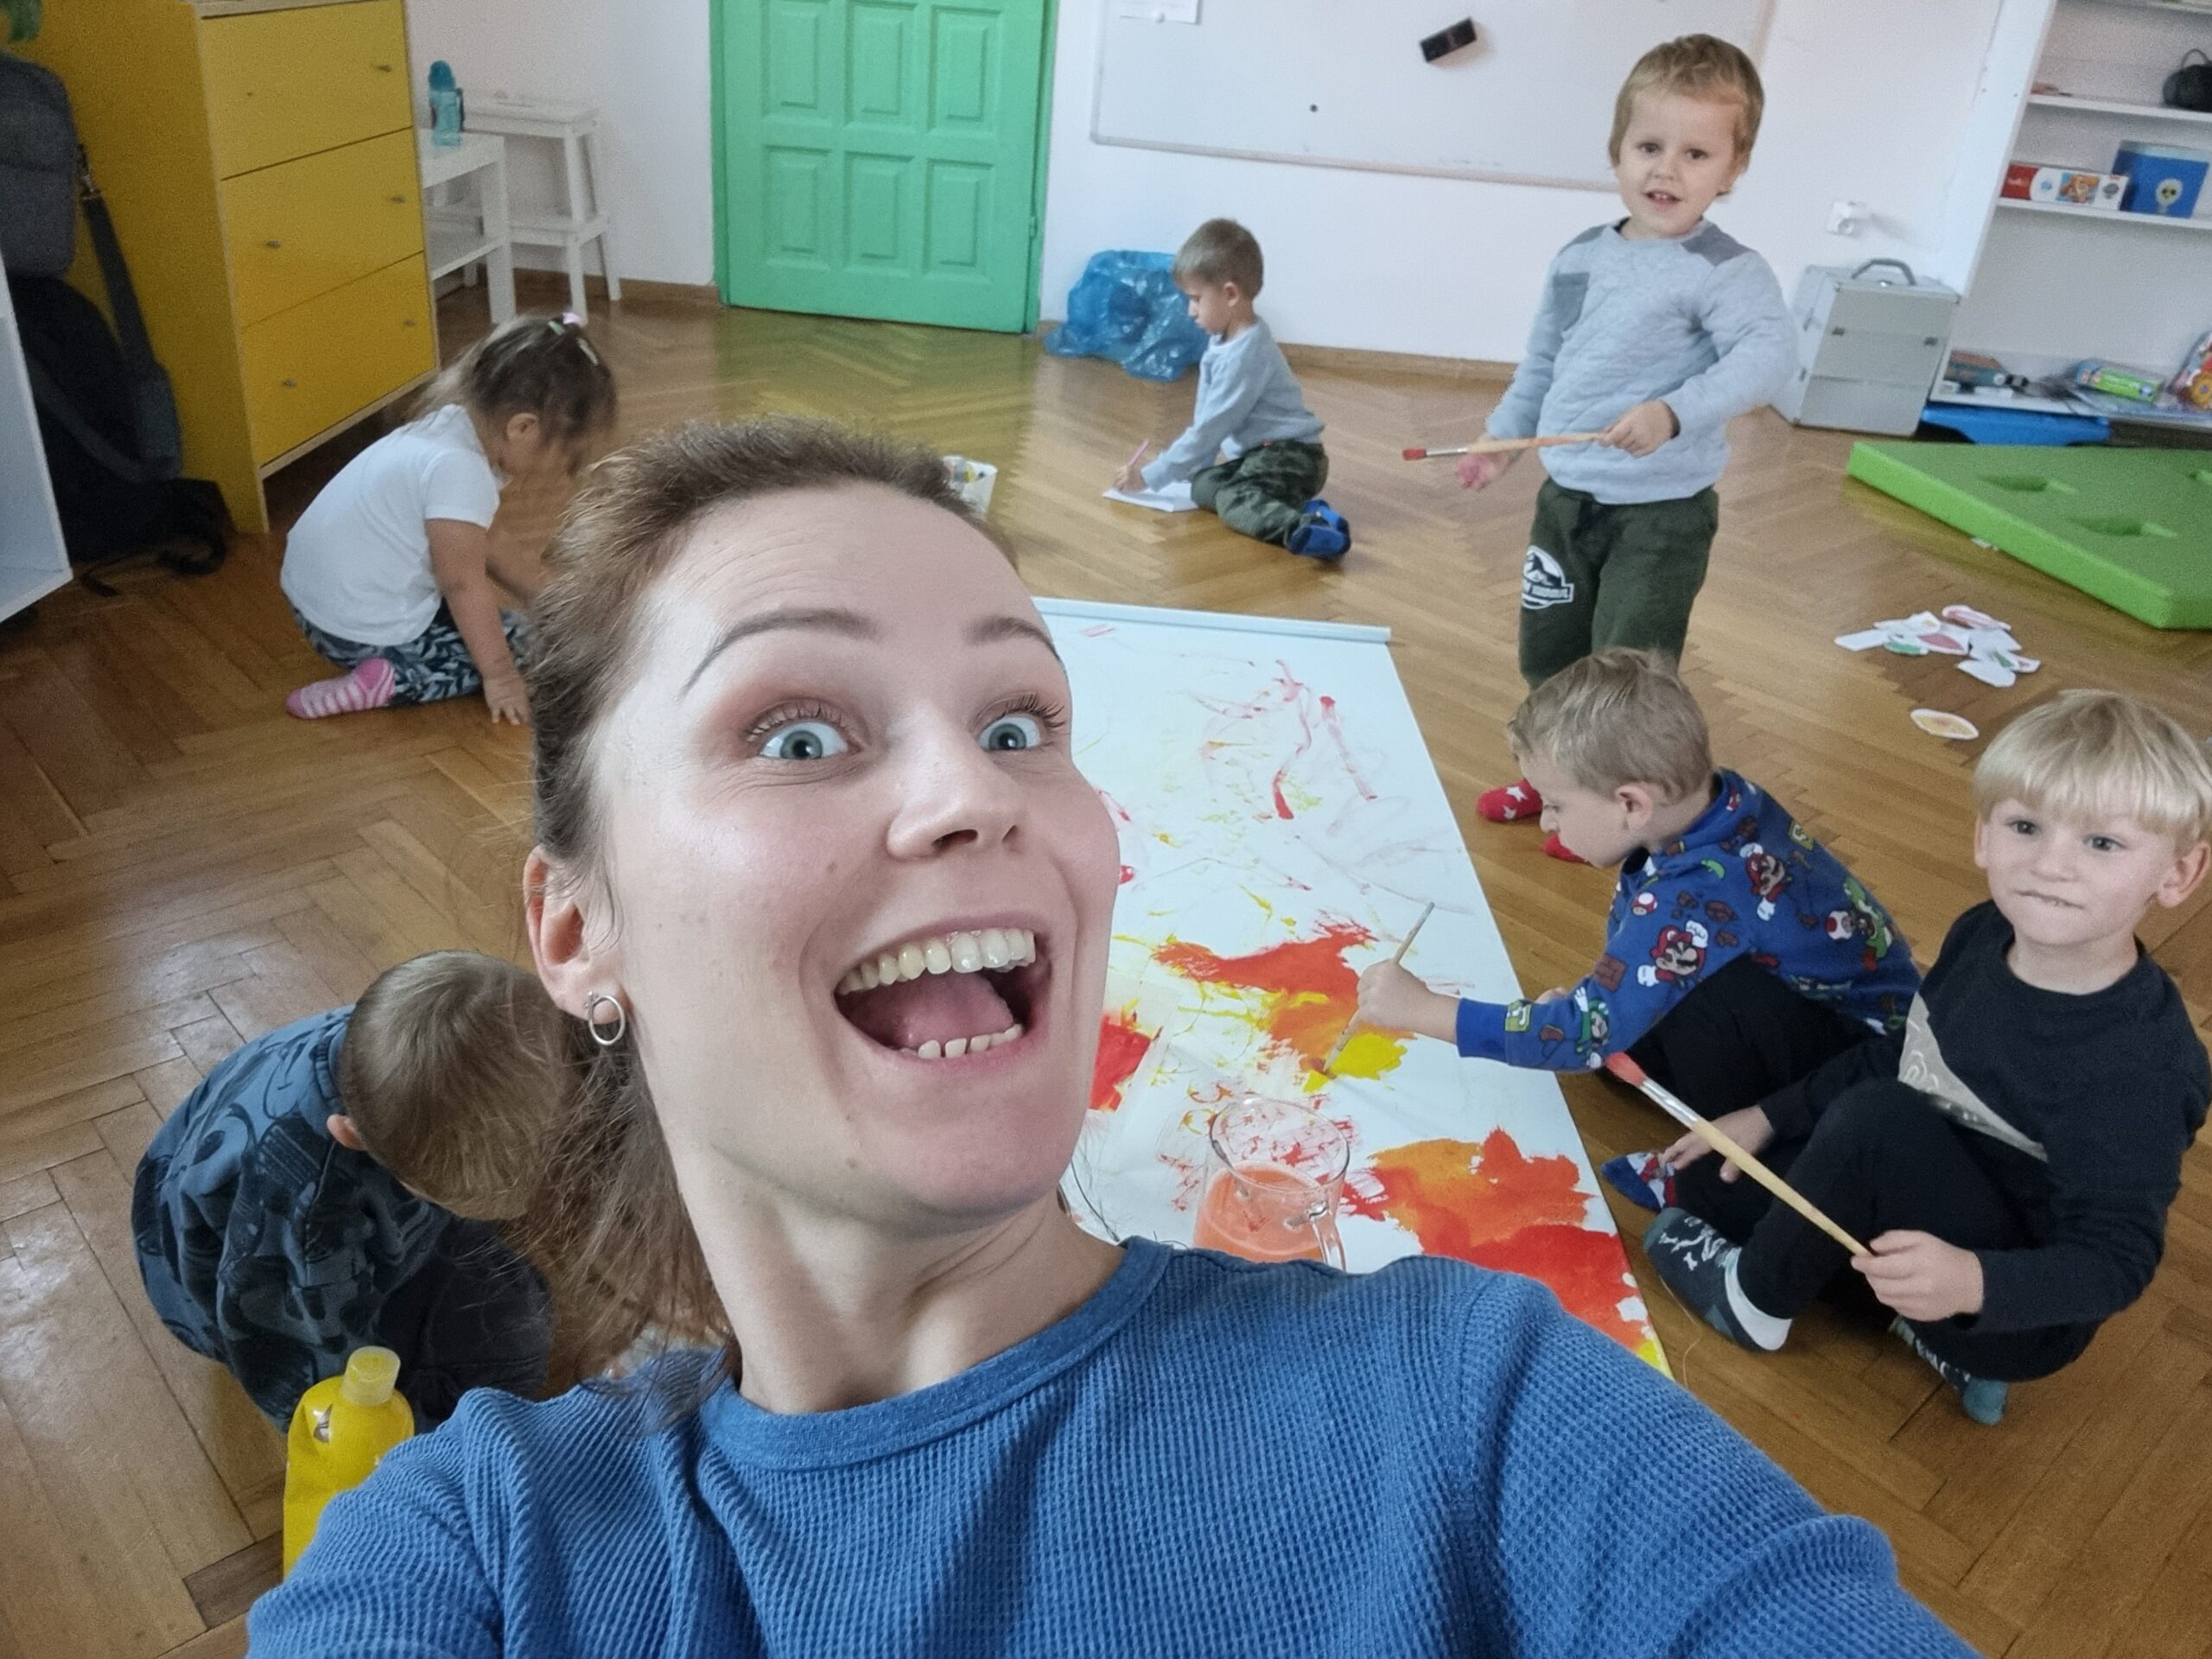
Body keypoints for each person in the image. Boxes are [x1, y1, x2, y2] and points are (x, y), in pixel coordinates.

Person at [253, 418, 1969, 1654]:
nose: (973, 789)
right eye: (797, 735)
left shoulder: (1477, 1411)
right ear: (577, 931)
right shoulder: (476, 1561)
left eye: (1018, 721)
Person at [1632, 691, 2212, 1427]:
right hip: (1916, 1186)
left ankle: (1757, 1301)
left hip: (2011, 1312)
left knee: (1871, 1123)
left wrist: (1972, 1282)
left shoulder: (2142, 1069)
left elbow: (2114, 1261)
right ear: (1983, 836)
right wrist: (1768, 1115)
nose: (2050, 865)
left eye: (2102, 843)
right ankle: (1909, 1320)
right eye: (2026, 827)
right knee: (1707, 1181)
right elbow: (1911, 1058)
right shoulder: (1983, 933)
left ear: (2178, 874)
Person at [1463, 35, 1793, 861]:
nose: (1666, 170)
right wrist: (1505, 438)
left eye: (1696, 154)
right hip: (1567, 499)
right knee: (1548, 657)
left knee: (1628, 677)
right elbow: (1543, 363)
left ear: (1734, 167)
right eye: (1649, 146)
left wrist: (1674, 412)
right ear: (1617, 151)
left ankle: (1621, 813)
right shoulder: (1579, 257)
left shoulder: (1725, 270)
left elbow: (1767, 358)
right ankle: (1554, 787)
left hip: (1661, 516)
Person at [1357, 649, 1918, 1112]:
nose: (1546, 822)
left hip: (1857, 1074)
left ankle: (1759, 1144)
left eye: (1555, 804)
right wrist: (1587, 1014)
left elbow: (1582, 1036)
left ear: (1631, 804)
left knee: (1609, 1026)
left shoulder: (1696, 892)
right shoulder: (1719, 803)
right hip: (1837, 1024)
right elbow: (1637, 953)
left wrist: (1427, 1011)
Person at [132, 951, 566, 1428]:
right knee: (500, 1363)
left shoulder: (391, 1041)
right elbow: (296, 1360)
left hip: (273, 1204)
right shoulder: (313, 1216)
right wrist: (369, 1429)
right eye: (449, 1198)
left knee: (509, 1314)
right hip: (246, 1287)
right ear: (351, 1135)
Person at [278, 311, 618, 723]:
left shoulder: (452, 428)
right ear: (523, 428)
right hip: (354, 626)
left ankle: (389, 663)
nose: (561, 469)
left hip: (322, 601)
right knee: (520, 648)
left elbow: (488, 538)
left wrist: (551, 600)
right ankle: (389, 680)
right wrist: (500, 677)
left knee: (514, 630)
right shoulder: (460, 471)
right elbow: (461, 583)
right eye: (565, 454)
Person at [1113, 218, 1350, 557]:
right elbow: (1207, 419)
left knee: (1231, 498)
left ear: (1230, 295)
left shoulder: (1246, 355)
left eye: (1196, 299)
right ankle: (1298, 507)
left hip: (1294, 457)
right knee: (1203, 485)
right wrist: (1193, 468)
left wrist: (1150, 477)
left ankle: (1302, 528)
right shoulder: (1223, 341)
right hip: (1262, 455)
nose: (1190, 311)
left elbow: (1210, 428)